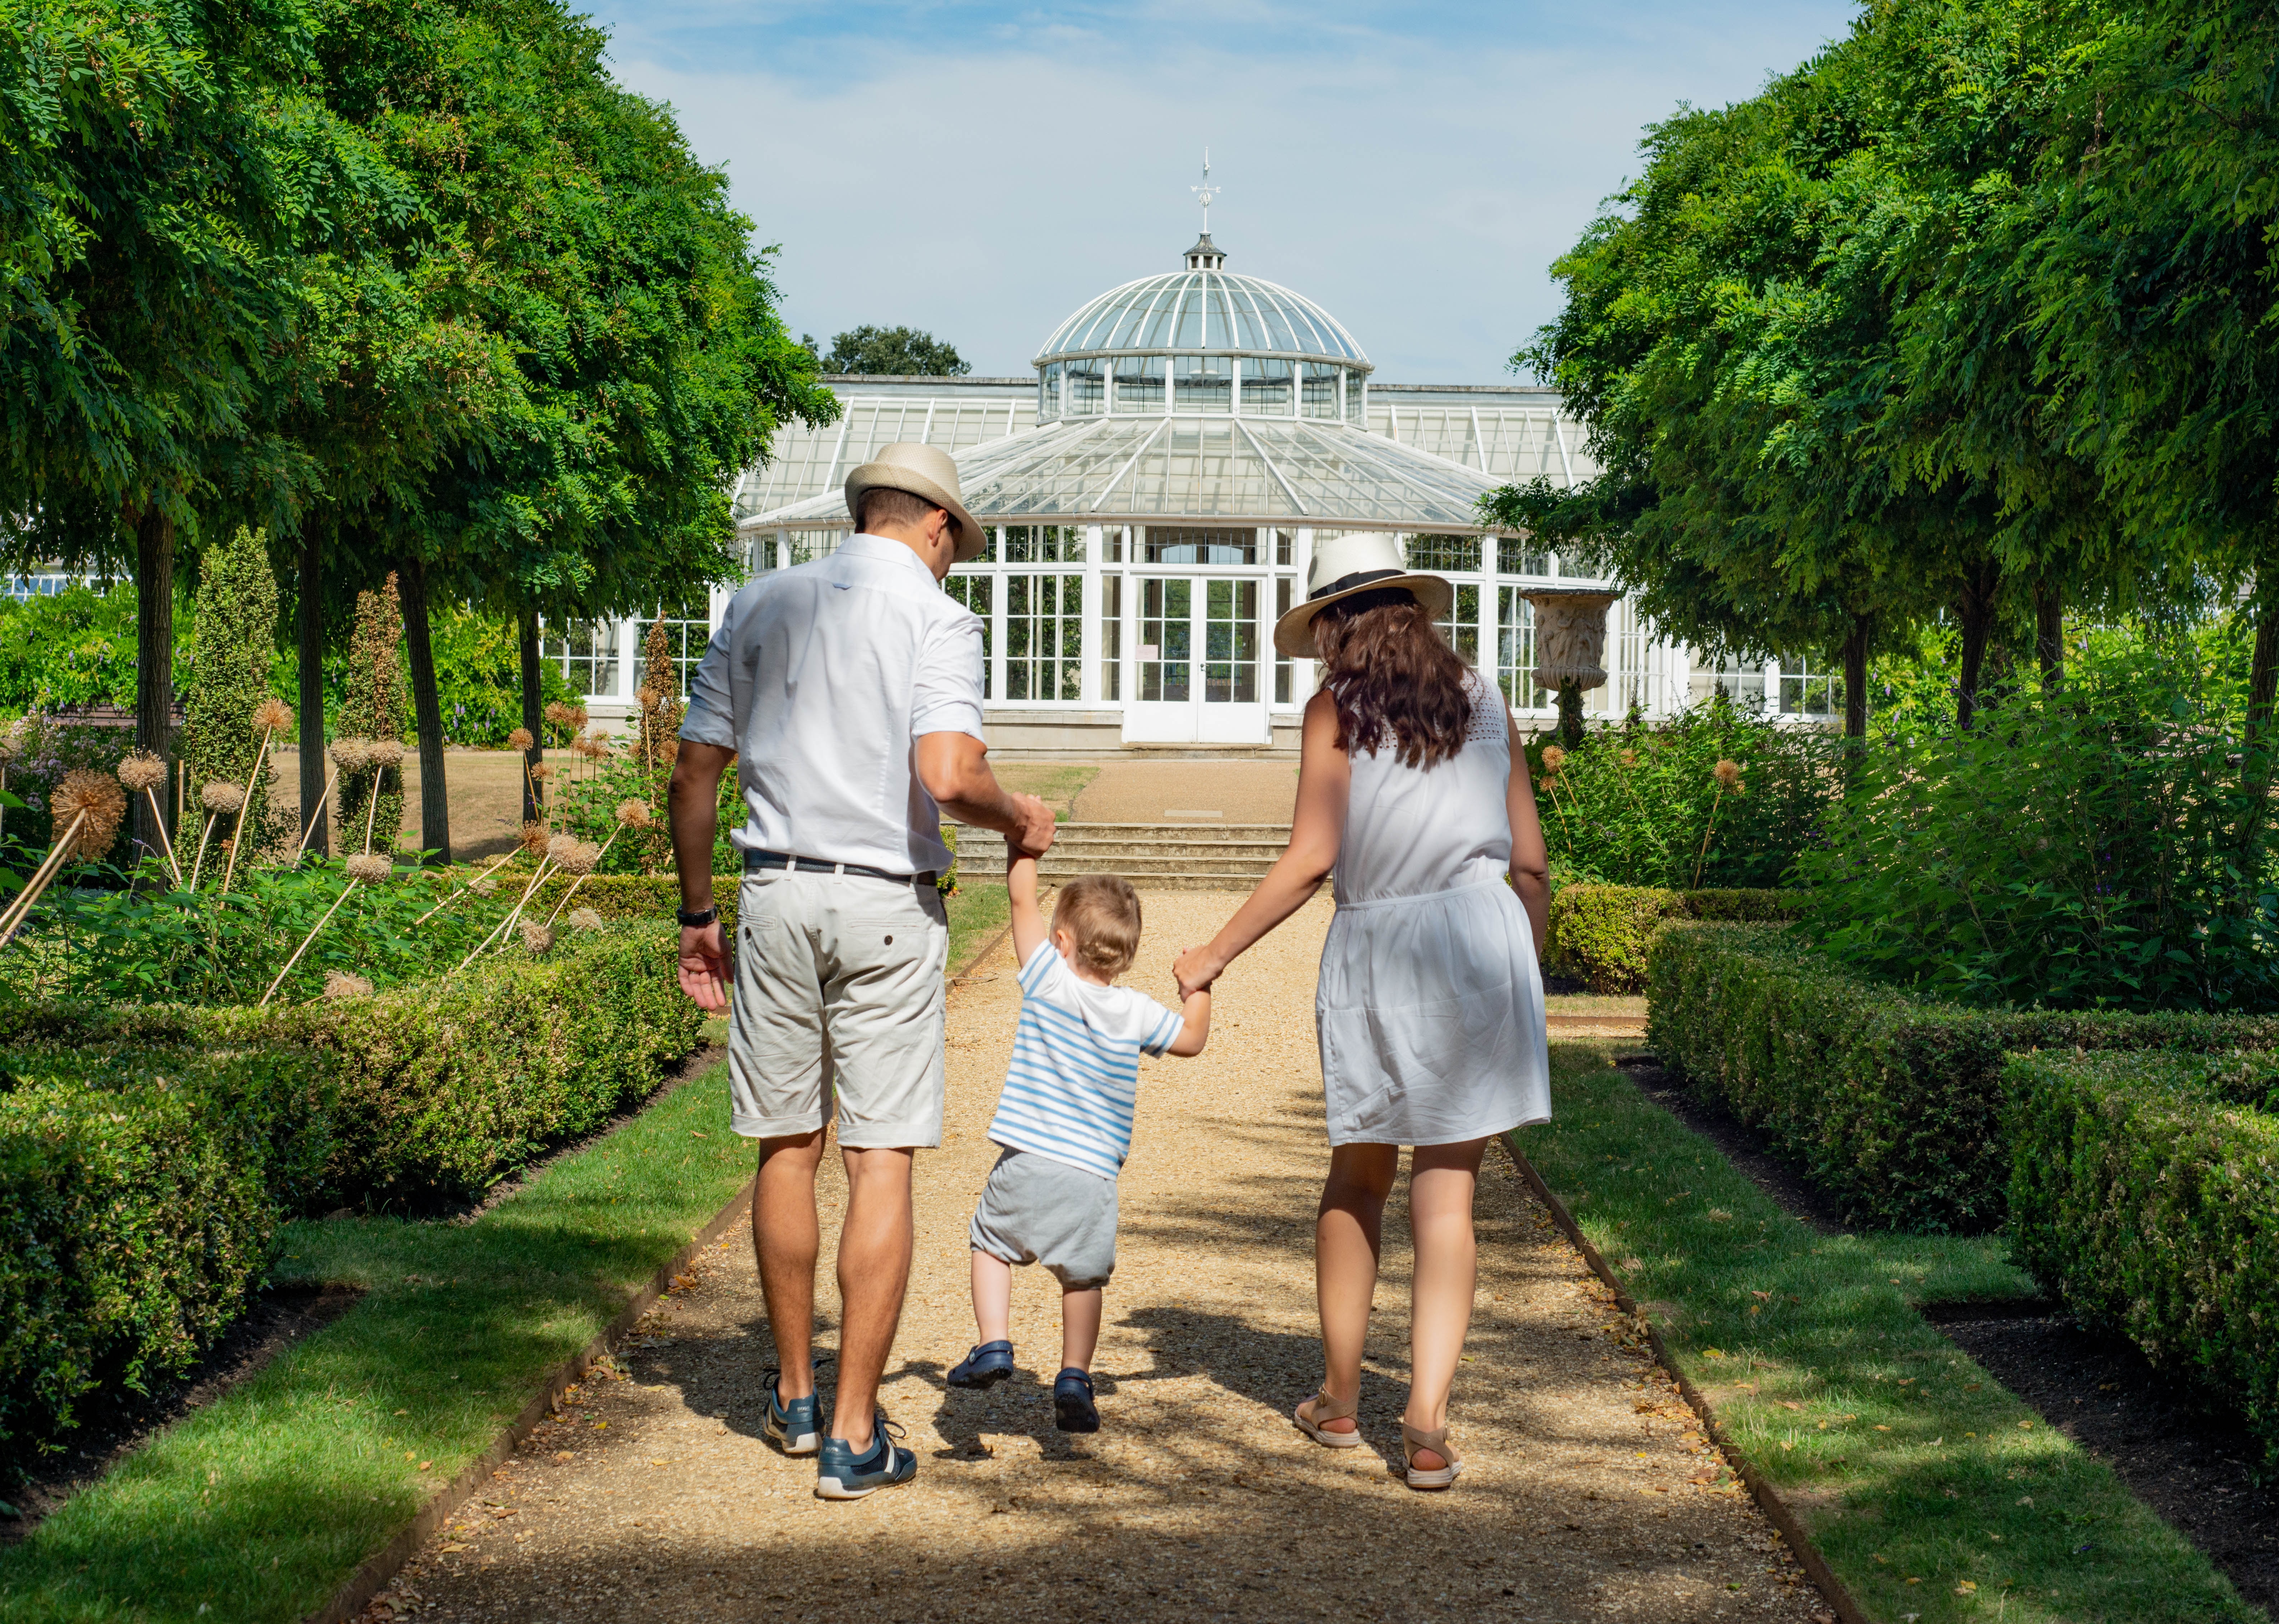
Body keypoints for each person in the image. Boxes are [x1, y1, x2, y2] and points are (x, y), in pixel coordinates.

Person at [669, 442, 1057, 1502]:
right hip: (884, 900)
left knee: (784, 1144)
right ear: (936, 526)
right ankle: (853, 1431)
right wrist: (1015, 812)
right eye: (955, 546)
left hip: (776, 890)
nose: (953, 562)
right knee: (878, 1158)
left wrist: (699, 911)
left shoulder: (759, 601)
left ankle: (797, 1397)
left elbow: (694, 769)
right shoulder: (932, 615)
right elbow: (946, 773)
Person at [1172, 531, 1551, 1492]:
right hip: (1481, 935)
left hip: (1382, 944)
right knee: (1448, 1190)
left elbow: (1310, 857)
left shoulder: (1333, 710)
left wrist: (1211, 954)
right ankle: (1424, 1417)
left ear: (1337, 624)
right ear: (1410, 611)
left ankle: (1340, 1398)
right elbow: (1531, 861)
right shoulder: (1481, 696)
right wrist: (1526, 970)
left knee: (1359, 1171)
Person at [946, 856, 1211, 1432]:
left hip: (1028, 1159)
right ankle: (1074, 1375)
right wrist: (1198, 985)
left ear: (1061, 940)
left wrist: (1025, 850)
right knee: (1083, 1278)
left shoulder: (1048, 979)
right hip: (1092, 1176)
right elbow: (1192, 1040)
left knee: (991, 1243)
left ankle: (994, 1343)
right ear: (1126, 955)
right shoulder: (1137, 1011)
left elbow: (1021, 903)